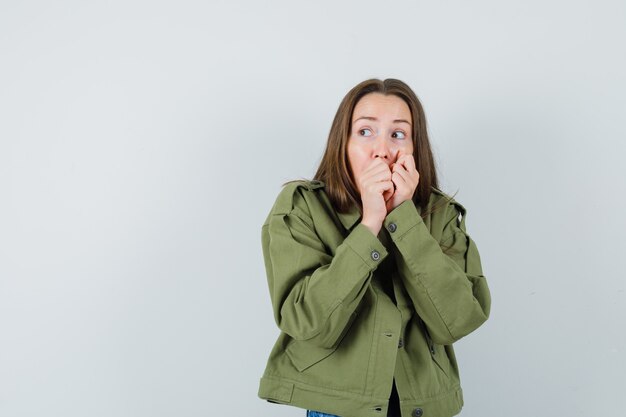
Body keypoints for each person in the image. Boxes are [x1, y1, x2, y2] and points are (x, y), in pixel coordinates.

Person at [257, 78, 491, 417]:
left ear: (415, 149)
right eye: (365, 132)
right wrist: (370, 224)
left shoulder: (439, 215)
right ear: (343, 142)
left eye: (398, 134)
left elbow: (457, 321)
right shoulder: (302, 207)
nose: (381, 149)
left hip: (421, 407)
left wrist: (403, 220)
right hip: (337, 407)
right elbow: (306, 323)